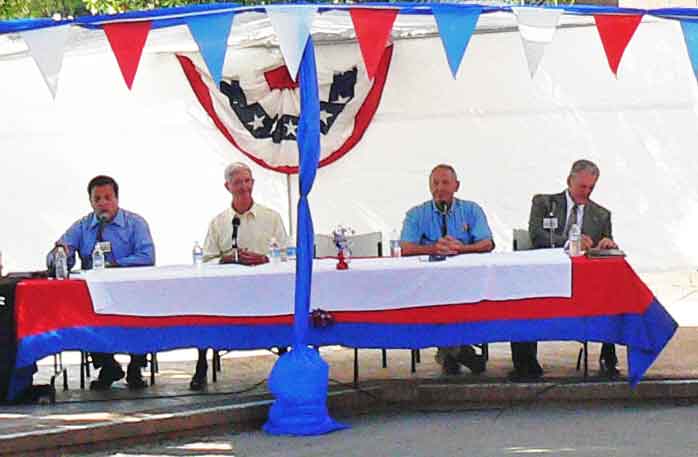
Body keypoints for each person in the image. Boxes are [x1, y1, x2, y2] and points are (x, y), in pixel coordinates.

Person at [512, 159, 619, 381]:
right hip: (542, 277)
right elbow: (537, 236)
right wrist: (572, 242)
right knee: (520, 295)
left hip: (582, 281)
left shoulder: (601, 215)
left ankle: (608, 356)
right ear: (570, 180)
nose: (586, 192)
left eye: (591, 188)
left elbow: (604, 247)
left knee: (614, 289)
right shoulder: (544, 203)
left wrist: (607, 245)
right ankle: (525, 363)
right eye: (582, 186)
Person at [47, 175, 155, 390]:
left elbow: (147, 256)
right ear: (91, 202)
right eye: (97, 199)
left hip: (131, 292)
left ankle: (136, 367)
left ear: (117, 199)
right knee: (78, 309)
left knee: (143, 309)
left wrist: (116, 265)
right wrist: (60, 253)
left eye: (107, 198)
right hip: (95, 295)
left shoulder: (135, 223)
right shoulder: (83, 226)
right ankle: (108, 365)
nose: (103, 203)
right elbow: (58, 256)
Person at [190, 162, 288, 390]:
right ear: (227, 187)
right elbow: (205, 261)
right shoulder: (219, 222)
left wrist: (265, 259)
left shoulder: (271, 217)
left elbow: (287, 255)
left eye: (247, 181)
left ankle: (285, 360)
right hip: (227, 295)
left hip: (266, 292)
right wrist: (227, 259)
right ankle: (201, 365)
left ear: (253, 183)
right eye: (237, 183)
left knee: (285, 304)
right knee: (201, 307)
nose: (244, 187)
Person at [399, 164, 494, 376]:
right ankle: (458, 351)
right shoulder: (416, 214)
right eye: (435, 183)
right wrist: (435, 248)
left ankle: (449, 353)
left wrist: (462, 248)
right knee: (435, 303)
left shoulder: (471, 210)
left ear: (456, 186)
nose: (439, 188)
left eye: (445, 183)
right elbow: (405, 248)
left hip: (468, 281)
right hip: (428, 282)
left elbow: (487, 243)